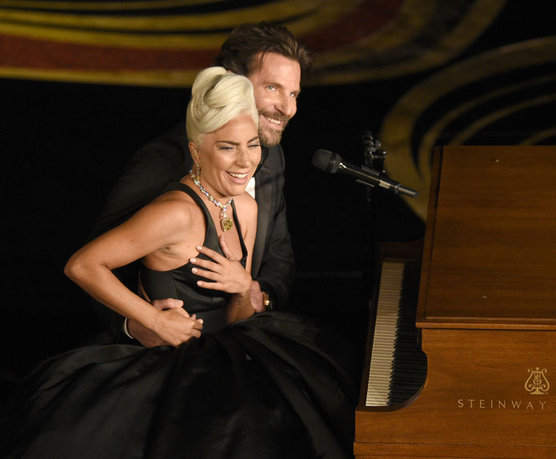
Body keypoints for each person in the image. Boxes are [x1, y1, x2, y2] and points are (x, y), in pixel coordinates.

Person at [1, 68, 356, 459]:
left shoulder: (246, 207)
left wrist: (243, 288)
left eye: (252, 145)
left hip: (229, 354)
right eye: (228, 148)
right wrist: (153, 321)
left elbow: (237, 319)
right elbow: (83, 265)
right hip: (170, 367)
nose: (245, 161)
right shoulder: (175, 213)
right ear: (196, 151)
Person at [90, 22, 311, 346]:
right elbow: (97, 261)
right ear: (230, 80)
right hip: (160, 348)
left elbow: (279, 257)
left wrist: (254, 294)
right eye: (272, 88)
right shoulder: (160, 163)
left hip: (233, 337)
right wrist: (136, 324)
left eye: (293, 94)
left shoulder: (270, 154)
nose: (288, 108)